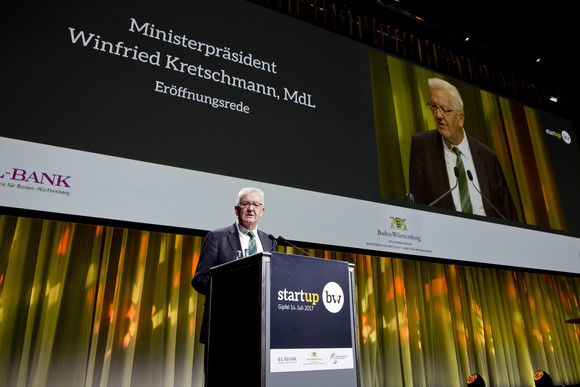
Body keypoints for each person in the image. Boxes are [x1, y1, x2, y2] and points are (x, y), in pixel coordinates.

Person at [409, 78, 517, 221]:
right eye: (434, 107)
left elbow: (508, 213)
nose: (438, 115)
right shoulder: (422, 147)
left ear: (461, 119)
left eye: (445, 110)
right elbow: (417, 206)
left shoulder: (488, 157)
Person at [191, 187, 275, 345]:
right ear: (237, 209)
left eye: (256, 205)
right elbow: (200, 279)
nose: (251, 209)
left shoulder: (269, 241)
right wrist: (231, 290)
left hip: (259, 327)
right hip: (224, 324)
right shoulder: (217, 237)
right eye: (246, 204)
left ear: (262, 211)